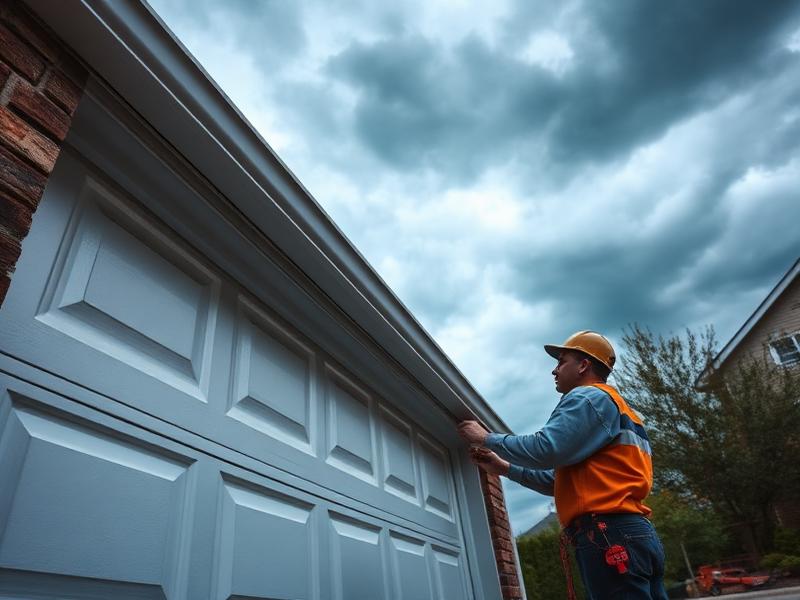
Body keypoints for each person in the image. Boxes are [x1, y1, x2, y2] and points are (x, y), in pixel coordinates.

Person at [458, 330, 668, 600]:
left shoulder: (587, 398)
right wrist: (504, 468)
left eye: (561, 361)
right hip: (633, 534)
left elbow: (547, 448)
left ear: (583, 365)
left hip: (609, 533)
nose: (554, 371)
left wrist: (487, 438)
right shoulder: (619, 409)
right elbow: (559, 481)